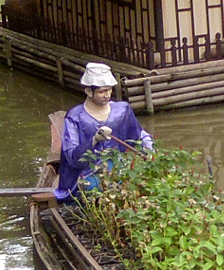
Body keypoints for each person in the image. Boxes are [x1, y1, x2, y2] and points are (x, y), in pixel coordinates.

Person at [55, 63, 153, 201]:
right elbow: (72, 157)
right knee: (91, 188)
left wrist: (149, 151)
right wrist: (94, 140)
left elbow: (139, 136)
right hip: (87, 174)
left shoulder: (122, 110)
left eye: (109, 90)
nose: (107, 95)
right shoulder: (74, 117)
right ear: (89, 91)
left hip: (118, 168)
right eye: (102, 92)